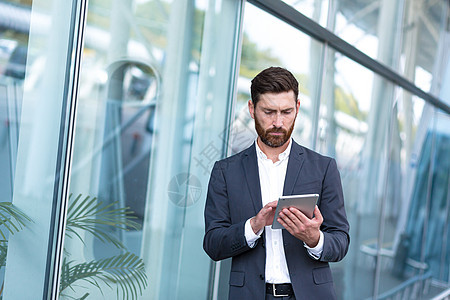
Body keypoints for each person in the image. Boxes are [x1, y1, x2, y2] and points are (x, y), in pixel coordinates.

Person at [203, 67, 350, 300]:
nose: (278, 122)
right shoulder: (225, 171)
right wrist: (253, 225)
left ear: (298, 109)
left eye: (287, 112)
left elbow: (341, 241)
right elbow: (212, 244)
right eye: (269, 112)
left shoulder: (323, 168)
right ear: (252, 109)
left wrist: (315, 239)